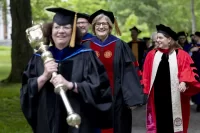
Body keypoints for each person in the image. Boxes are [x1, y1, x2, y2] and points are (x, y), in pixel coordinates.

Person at [20, 7, 112, 133]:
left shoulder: (86, 56)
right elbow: (26, 90)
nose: (61, 31)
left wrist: (70, 85)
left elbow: (100, 89)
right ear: (50, 31)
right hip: (47, 121)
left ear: (73, 31)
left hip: (79, 121)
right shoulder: (38, 58)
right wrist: (44, 76)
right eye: (57, 27)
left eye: (66, 27)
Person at [83, 9, 144, 133]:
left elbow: (130, 71)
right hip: (92, 97)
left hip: (117, 97)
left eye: (104, 24)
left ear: (110, 27)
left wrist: (131, 98)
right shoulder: (86, 46)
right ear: (93, 27)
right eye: (98, 24)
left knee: (118, 127)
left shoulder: (120, 45)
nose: (101, 27)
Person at [142, 24, 200, 133]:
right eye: (156, 38)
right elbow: (146, 74)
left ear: (169, 39)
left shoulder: (181, 54)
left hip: (176, 96)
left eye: (160, 38)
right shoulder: (151, 55)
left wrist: (184, 82)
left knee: (174, 126)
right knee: (159, 124)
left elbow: (188, 70)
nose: (157, 40)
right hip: (157, 97)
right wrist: (144, 89)